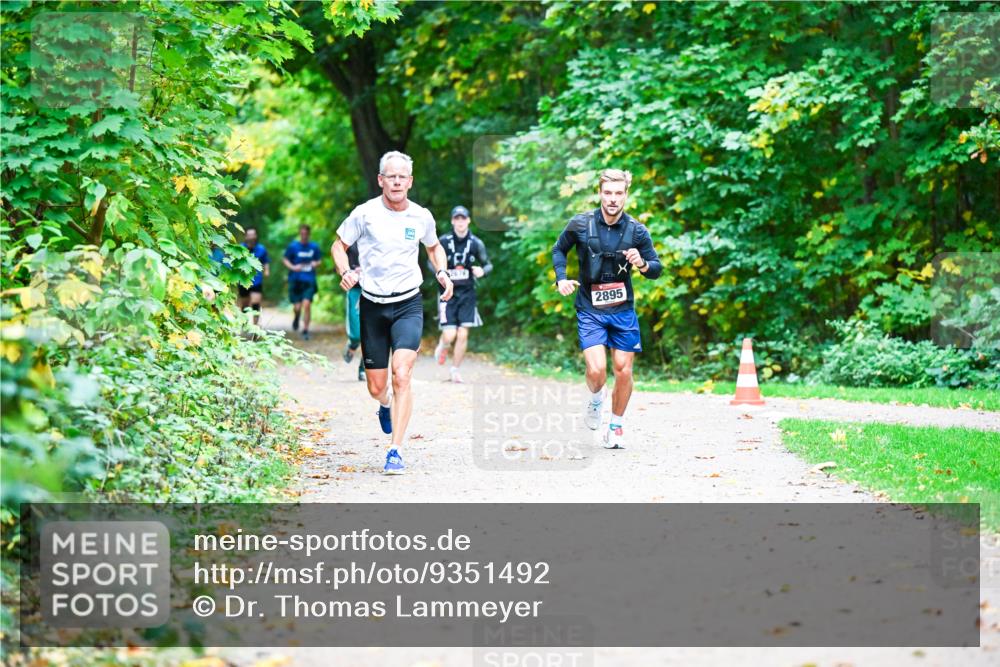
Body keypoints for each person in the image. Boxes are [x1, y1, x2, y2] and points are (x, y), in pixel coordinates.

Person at [332, 151, 453, 474]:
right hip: (372, 305)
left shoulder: (421, 216)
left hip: (408, 304)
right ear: (381, 180)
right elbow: (338, 246)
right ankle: (384, 405)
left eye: (403, 176)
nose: (397, 181)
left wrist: (441, 272)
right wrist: (346, 271)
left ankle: (395, 450)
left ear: (410, 182)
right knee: (376, 387)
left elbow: (434, 247)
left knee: (403, 374)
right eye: (391, 176)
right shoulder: (365, 213)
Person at [551, 169, 662, 449]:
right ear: (600, 193)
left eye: (619, 193)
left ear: (626, 195)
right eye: (608, 193)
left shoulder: (637, 230)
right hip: (590, 307)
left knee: (623, 370)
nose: (613, 199)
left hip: (622, 309)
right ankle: (596, 399)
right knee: (598, 371)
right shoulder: (580, 223)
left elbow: (656, 269)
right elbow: (558, 250)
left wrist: (642, 263)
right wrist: (561, 278)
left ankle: (616, 427)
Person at [431, 205, 492, 383]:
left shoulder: (476, 243)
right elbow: (432, 261)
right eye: (456, 218)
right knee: (450, 335)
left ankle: (455, 370)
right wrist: (440, 275)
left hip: (467, 293)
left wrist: (483, 271)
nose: (460, 222)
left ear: (468, 221)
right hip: (447, 293)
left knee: (463, 334)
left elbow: (488, 264)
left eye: (463, 218)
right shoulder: (443, 241)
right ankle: (443, 345)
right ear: (452, 221)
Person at [283, 224, 322, 340]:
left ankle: (305, 330)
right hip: (295, 279)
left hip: (309, 279)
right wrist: (293, 267)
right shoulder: (293, 246)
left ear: (309, 234)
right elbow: (285, 259)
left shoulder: (314, 247)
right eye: (302, 234)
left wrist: (316, 264)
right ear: (300, 234)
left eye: (306, 234)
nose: (304, 236)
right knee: (297, 307)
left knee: (307, 305)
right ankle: (296, 316)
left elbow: (319, 260)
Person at [237, 228, 269, 326]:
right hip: (243, 280)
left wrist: (267, 271)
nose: (251, 237)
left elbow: (266, 261)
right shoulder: (240, 248)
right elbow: (234, 262)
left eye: (253, 235)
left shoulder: (261, 249)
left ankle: (255, 328)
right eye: (249, 235)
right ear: (246, 237)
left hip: (257, 280)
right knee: (245, 304)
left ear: (256, 236)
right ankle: (244, 324)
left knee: (256, 303)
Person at [342, 243, 365, 381]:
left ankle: (363, 368)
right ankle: (353, 344)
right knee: (357, 334)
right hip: (355, 289)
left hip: (376, 288)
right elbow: (338, 263)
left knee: (372, 332)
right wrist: (351, 271)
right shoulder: (350, 238)